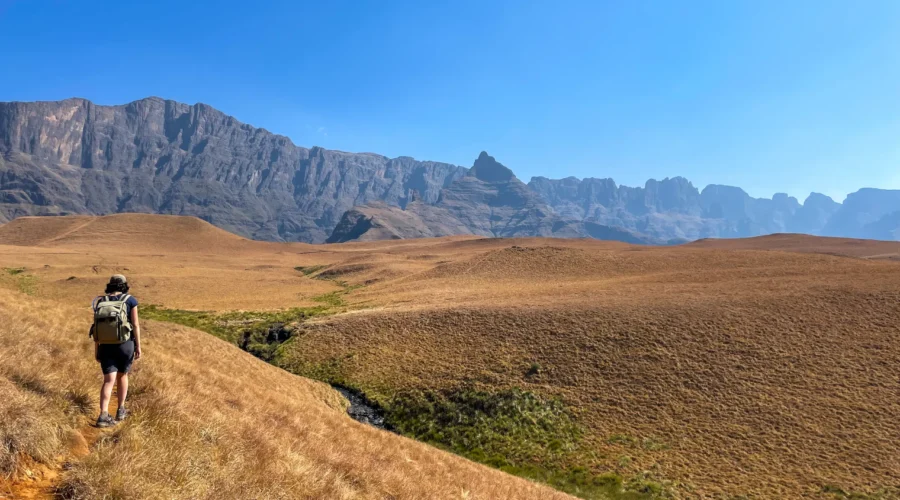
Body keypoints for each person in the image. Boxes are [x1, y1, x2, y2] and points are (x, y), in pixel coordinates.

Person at [92, 274, 142, 428]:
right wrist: (138, 346)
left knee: (108, 380)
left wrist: (97, 350)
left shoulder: (101, 301)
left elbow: (96, 328)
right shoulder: (130, 300)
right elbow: (135, 324)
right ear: (124, 285)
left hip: (105, 345)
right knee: (122, 376)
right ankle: (121, 410)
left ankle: (103, 415)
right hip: (125, 344)